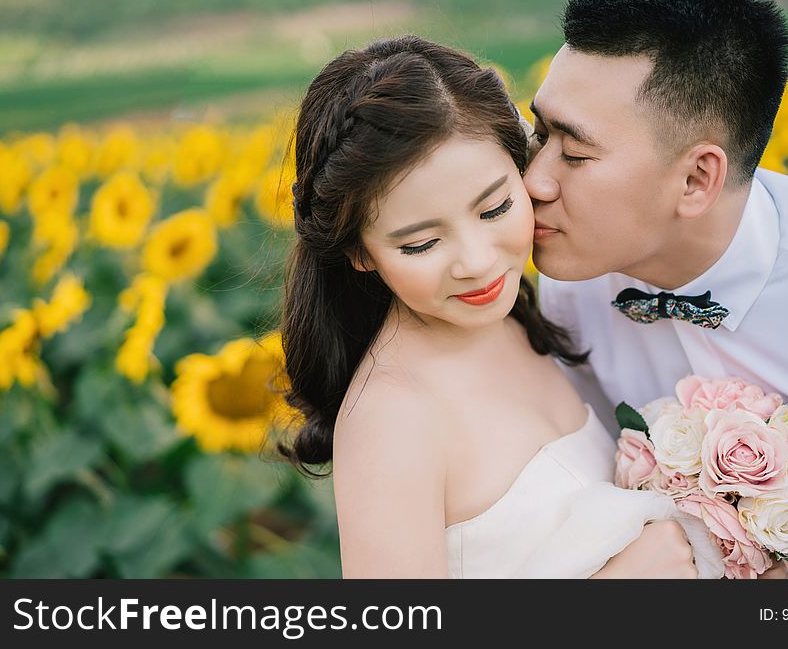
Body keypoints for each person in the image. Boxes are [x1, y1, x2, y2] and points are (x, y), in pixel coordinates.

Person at [277, 34, 725, 578]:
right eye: (420, 244)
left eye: (494, 208)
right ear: (360, 253)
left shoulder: (513, 318)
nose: (476, 261)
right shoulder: (392, 422)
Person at [527, 0, 788, 578]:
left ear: (696, 178)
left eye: (575, 154)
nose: (534, 181)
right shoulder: (571, 286)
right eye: (540, 135)